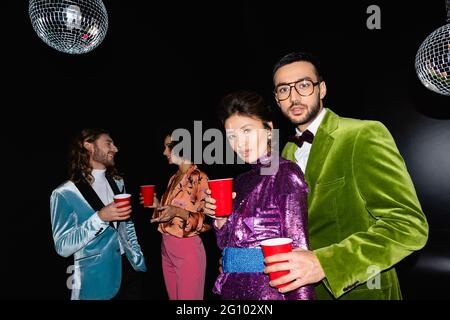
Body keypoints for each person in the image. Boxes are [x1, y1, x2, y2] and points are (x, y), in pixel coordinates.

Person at [263, 52, 429, 299]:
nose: (294, 96)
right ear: (277, 99)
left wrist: (326, 263)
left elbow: (408, 225)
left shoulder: (363, 134)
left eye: (304, 85)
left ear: (322, 89)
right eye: (283, 89)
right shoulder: (284, 153)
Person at [208, 91, 315, 300]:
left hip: (268, 293)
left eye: (247, 130)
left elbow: (300, 256)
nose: (239, 143)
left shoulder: (285, 173)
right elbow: (227, 244)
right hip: (231, 290)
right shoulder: (240, 181)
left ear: (269, 129)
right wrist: (220, 221)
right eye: (232, 136)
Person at [50, 128, 147, 300]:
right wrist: (99, 218)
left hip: (131, 271)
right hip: (97, 280)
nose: (115, 149)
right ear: (89, 145)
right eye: (108, 143)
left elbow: (127, 224)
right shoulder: (64, 193)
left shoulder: (118, 181)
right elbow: (63, 247)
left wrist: (138, 257)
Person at [145, 128, 211, 300]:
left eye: (169, 146)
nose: (164, 152)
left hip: (187, 247)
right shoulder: (173, 178)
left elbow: (206, 220)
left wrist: (178, 211)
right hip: (166, 247)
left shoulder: (199, 177)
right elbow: (170, 215)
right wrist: (158, 205)